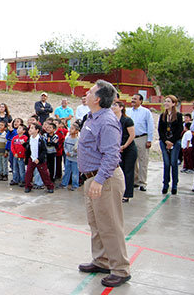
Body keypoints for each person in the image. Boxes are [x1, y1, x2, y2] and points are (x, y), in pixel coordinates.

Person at [77, 80, 131, 288]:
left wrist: (98, 180)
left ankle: (120, 269)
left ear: (97, 99)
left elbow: (111, 155)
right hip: (91, 178)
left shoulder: (107, 121)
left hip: (104, 180)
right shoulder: (92, 117)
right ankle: (102, 261)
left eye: (90, 92)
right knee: (96, 224)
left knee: (110, 225)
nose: (86, 93)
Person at [126, 94, 154, 191]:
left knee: (143, 161)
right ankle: (135, 181)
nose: (133, 100)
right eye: (132, 99)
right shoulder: (128, 111)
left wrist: (149, 140)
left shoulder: (146, 112)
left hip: (142, 138)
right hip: (130, 138)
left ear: (141, 101)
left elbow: (150, 126)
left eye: (135, 99)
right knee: (132, 160)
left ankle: (143, 183)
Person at [158, 95, 184, 195]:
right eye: (165, 101)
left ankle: (174, 184)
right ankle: (165, 184)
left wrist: (171, 141)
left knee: (173, 163)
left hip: (175, 142)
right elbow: (160, 130)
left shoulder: (178, 115)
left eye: (168, 101)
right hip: (164, 142)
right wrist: (166, 141)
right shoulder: (162, 116)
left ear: (173, 103)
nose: (166, 103)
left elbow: (179, 130)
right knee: (166, 163)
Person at [112, 100, 137, 203]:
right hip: (117, 148)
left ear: (121, 107)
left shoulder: (127, 120)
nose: (113, 107)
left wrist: (124, 146)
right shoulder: (112, 120)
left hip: (129, 149)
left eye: (115, 105)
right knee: (119, 172)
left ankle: (127, 194)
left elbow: (132, 135)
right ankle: (119, 192)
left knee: (128, 171)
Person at [24, 123, 54, 193]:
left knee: (44, 174)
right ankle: (28, 186)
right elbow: (29, 149)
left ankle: (49, 186)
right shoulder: (30, 138)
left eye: (32, 128)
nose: (30, 129)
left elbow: (44, 151)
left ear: (37, 130)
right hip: (32, 159)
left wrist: (39, 159)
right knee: (28, 173)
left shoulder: (41, 139)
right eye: (30, 128)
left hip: (39, 160)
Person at [59, 123, 80, 191]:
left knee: (75, 173)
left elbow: (78, 150)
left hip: (75, 160)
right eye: (70, 128)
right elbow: (64, 146)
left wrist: (71, 153)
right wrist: (66, 152)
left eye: (72, 128)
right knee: (66, 171)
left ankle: (75, 185)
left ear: (77, 131)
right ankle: (64, 183)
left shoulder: (78, 140)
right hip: (68, 158)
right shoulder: (67, 138)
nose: (70, 130)